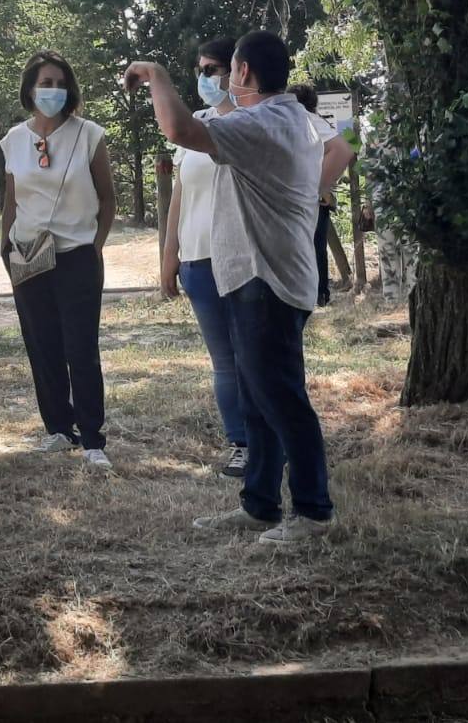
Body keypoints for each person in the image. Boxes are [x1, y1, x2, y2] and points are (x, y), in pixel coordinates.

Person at [127, 31, 335, 545]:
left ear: (242, 73)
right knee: (257, 397)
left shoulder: (262, 122)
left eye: (224, 70)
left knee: (281, 399)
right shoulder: (286, 118)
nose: (213, 80)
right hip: (257, 276)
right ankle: (260, 504)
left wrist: (155, 72)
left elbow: (176, 126)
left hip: (267, 280)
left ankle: (312, 512)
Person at [0, 51, 117, 468]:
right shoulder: (14, 140)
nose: (52, 90)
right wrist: (5, 246)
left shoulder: (88, 134)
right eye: (44, 82)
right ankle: (57, 429)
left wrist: (95, 245)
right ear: (30, 88)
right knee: (42, 345)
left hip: (76, 255)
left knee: (80, 348)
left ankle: (92, 439)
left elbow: (107, 196)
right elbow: (11, 200)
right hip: (29, 255)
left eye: (59, 83)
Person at [160, 37, 247, 478]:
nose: (205, 78)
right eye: (201, 69)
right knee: (224, 362)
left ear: (239, 71)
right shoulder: (196, 122)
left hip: (243, 260)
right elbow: (180, 193)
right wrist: (170, 254)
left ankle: (269, 439)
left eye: (214, 69)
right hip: (197, 262)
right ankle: (241, 443)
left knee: (253, 358)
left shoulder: (253, 124)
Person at [287, 83, 357, 307]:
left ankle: (318, 293)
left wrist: (316, 185)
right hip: (317, 196)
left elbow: (345, 148)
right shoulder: (317, 122)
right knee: (315, 245)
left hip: (311, 197)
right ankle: (319, 292)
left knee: (311, 246)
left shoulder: (307, 121)